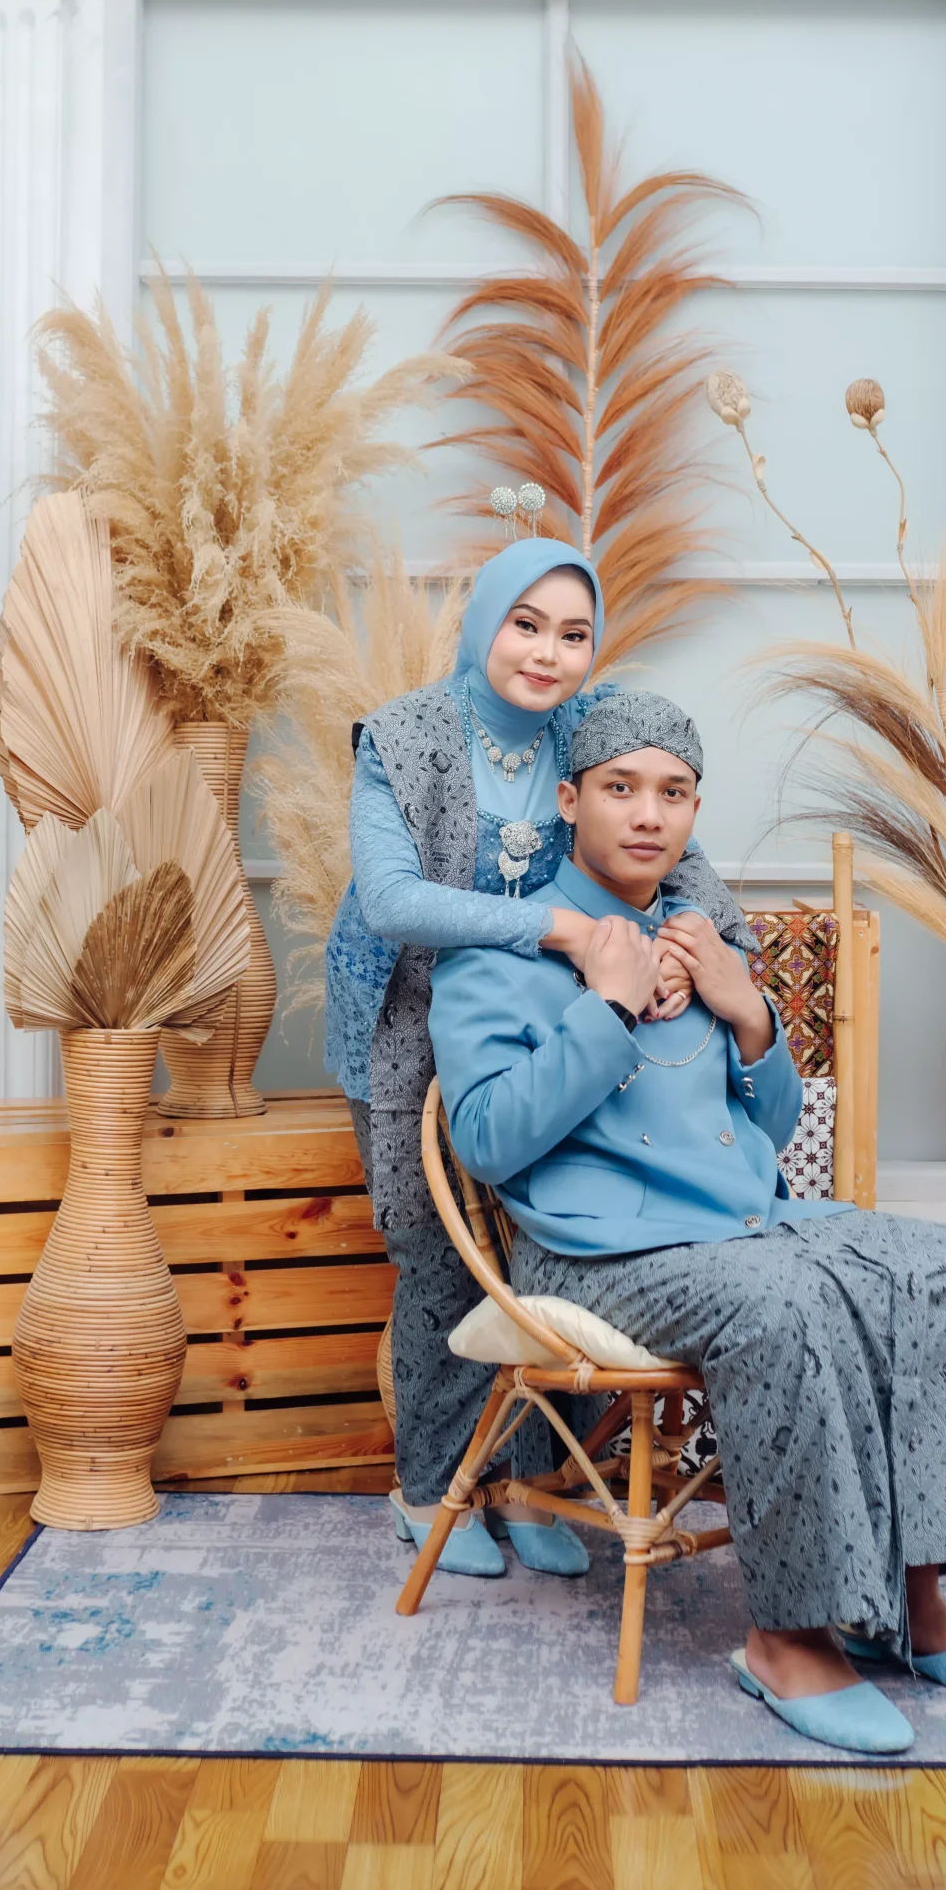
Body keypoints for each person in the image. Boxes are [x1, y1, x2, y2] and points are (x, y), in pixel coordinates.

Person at [427, 691, 946, 1754]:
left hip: (740, 1224)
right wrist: (607, 1003)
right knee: (783, 1304)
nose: (648, 814)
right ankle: (787, 1640)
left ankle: (913, 1604)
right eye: (620, 788)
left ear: (693, 808)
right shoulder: (499, 955)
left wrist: (747, 1010)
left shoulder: (704, 940)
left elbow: (764, 1130)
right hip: (591, 1251)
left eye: (673, 793)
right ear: (569, 800)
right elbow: (486, 1142)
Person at [325, 542, 752, 1578]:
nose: (546, 654)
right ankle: (430, 1489)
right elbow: (391, 901)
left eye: (572, 634)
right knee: (438, 1255)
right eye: (525, 625)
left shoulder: (584, 729)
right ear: (483, 622)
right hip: (405, 1019)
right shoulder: (405, 737)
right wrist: (560, 927)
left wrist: (680, 953)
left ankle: (529, 1485)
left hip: (552, 1022)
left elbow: (686, 868)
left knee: (544, 1240)